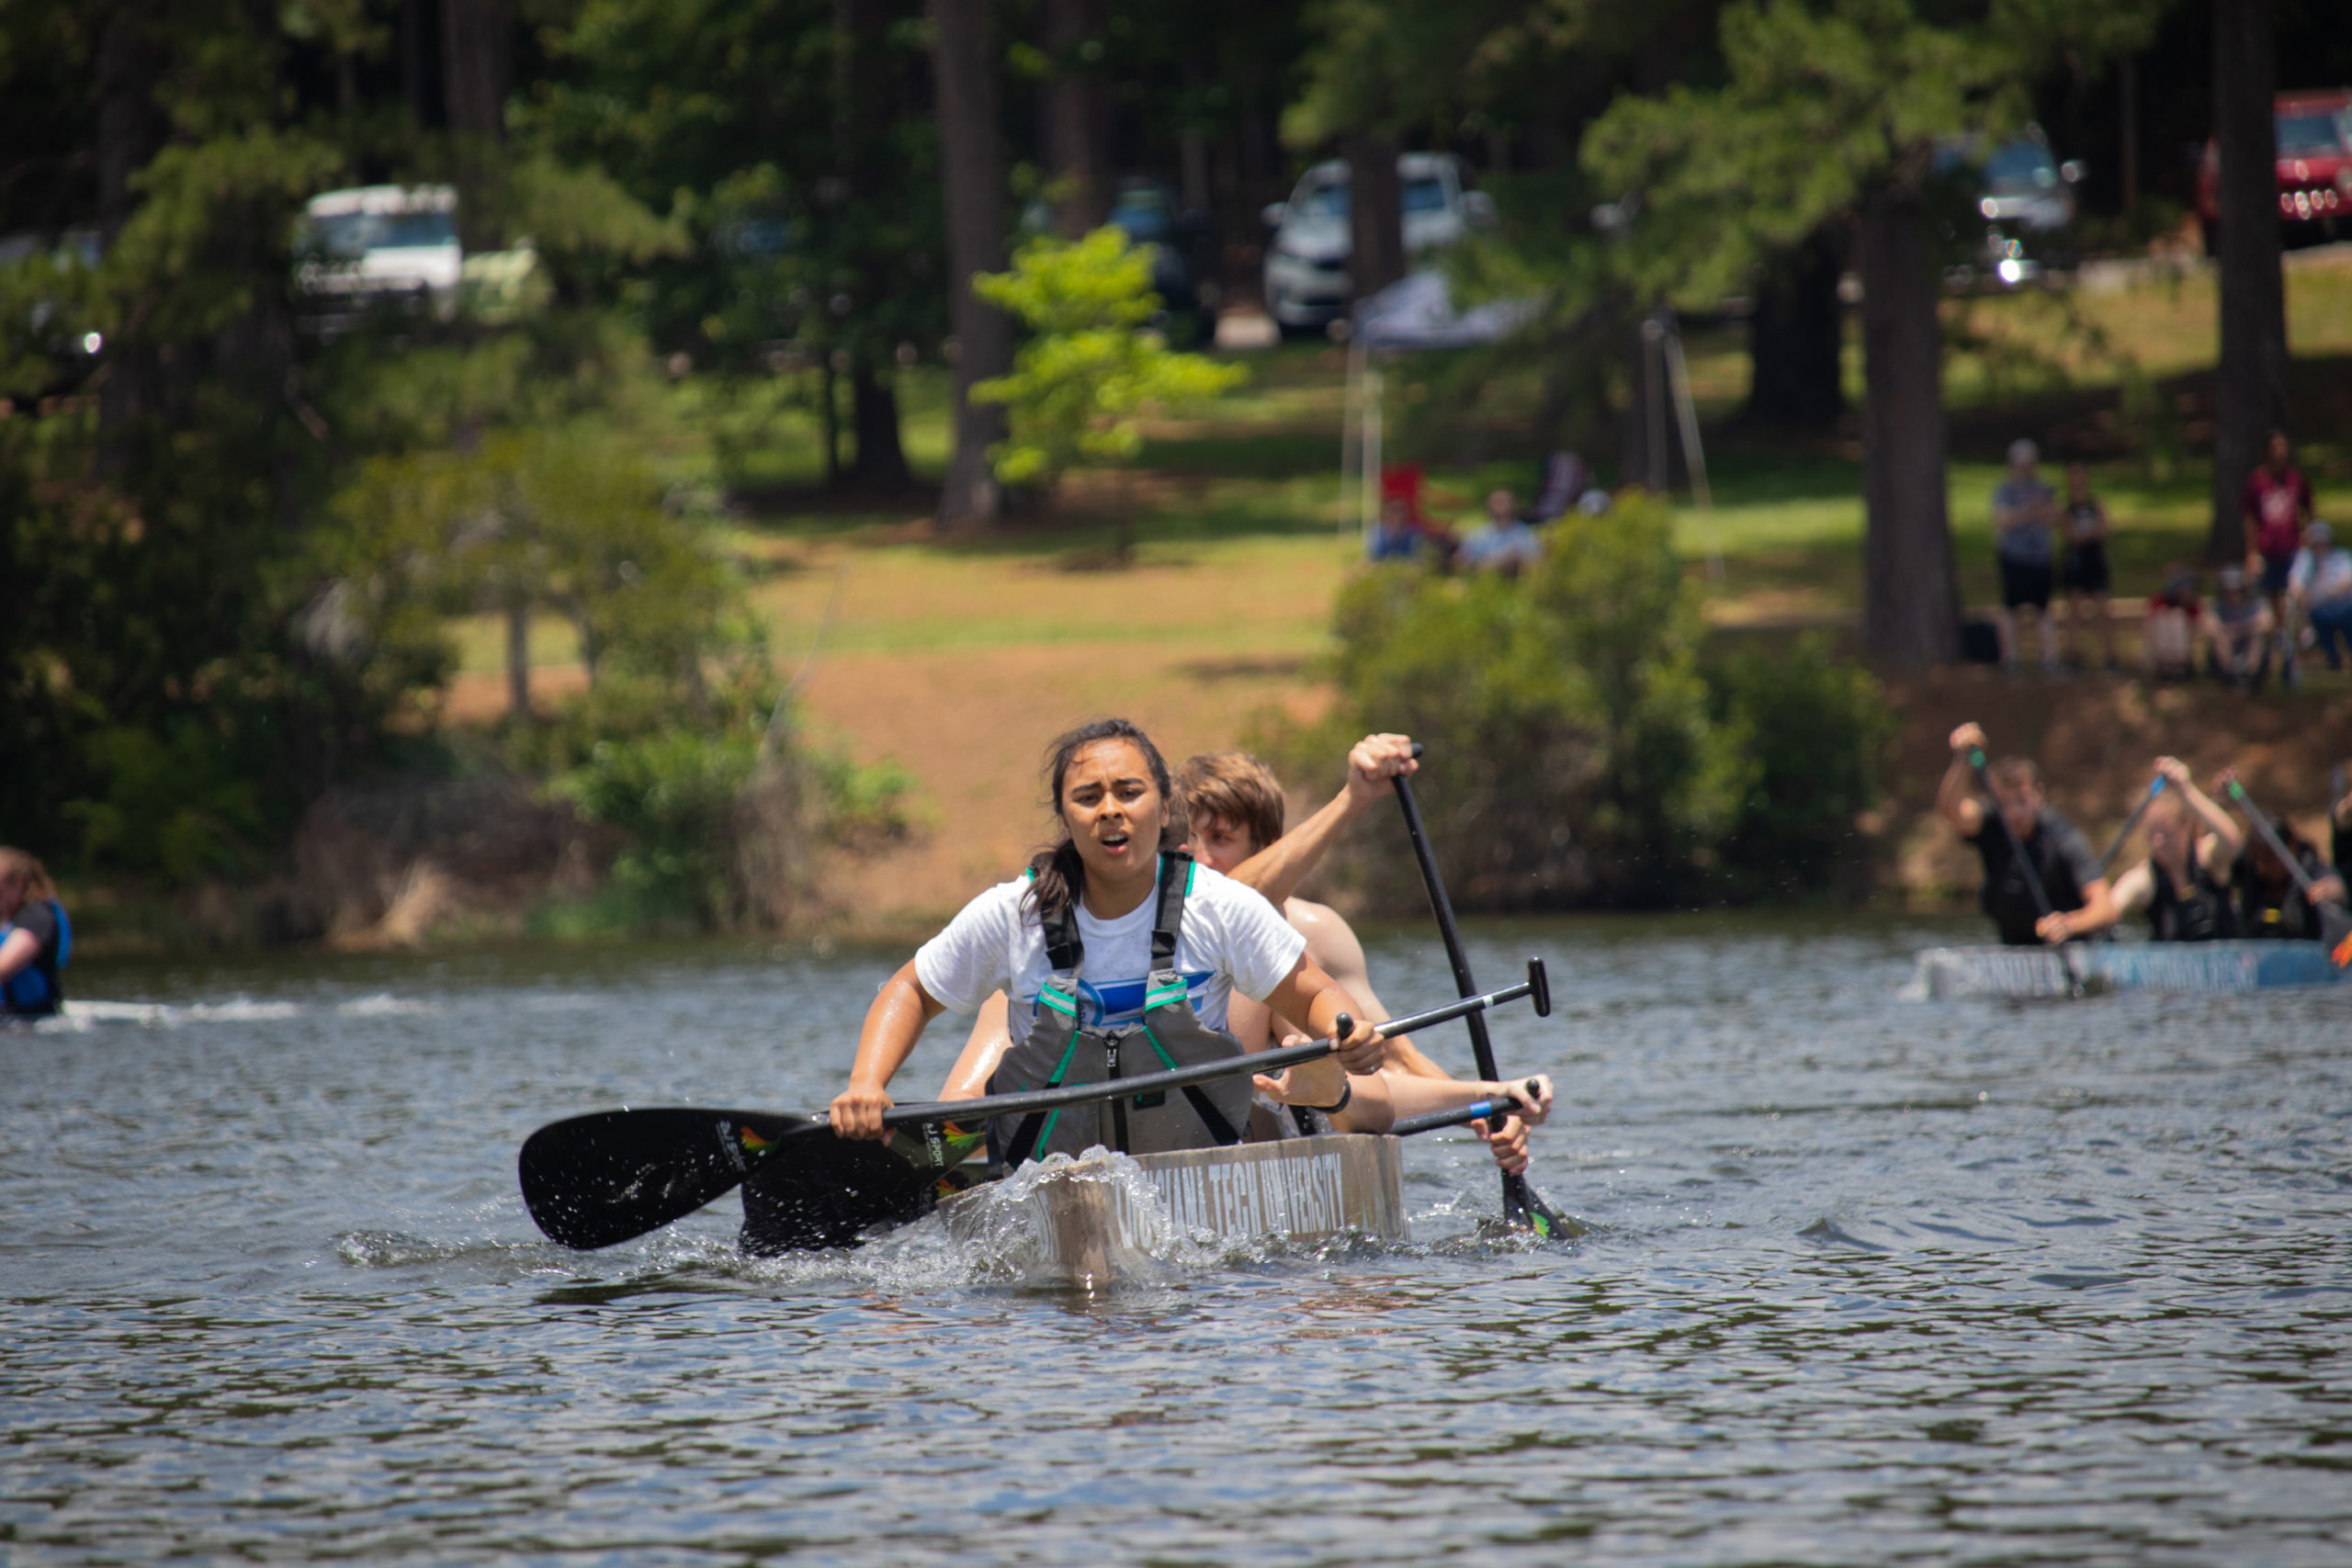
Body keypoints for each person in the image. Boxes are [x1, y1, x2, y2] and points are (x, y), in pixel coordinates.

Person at [829, 719, 1385, 1168]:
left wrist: (1348, 1031)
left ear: (1165, 809)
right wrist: (866, 1085)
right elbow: (910, 990)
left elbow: (1314, 993)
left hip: (1194, 1174)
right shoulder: (1014, 912)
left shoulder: (1220, 905)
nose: (1110, 811)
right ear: (1065, 818)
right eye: (1088, 797)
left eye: (1129, 792)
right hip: (1050, 1182)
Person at [1173, 743, 1555, 1173]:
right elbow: (1237, 898)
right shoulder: (1150, 924)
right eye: (1190, 841)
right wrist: (1353, 799)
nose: (1200, 858)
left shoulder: (1314, 932)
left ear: (1271, 845)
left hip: (1262, 1150)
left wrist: (1489, 1104)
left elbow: (1390, 1060)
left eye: (1220, 839)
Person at [1937, 723, 2119, 946]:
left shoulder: (2065, 839)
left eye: (2021, 801)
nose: (2014, 812)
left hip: (2071, 949)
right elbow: (1951, 809)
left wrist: (2069, 924)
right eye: (2004, 803)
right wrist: (1963, 759)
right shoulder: (1993, 824)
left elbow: (2106, 909)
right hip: (2016, 951)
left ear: (2038, 794)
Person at [2108, 760, 2244, 942]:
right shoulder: (2146, 878)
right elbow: (2110, 907)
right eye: (2151, 834)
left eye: (2166, 833)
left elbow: (2231, 840)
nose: (2158, 842)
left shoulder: (2209, 858)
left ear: (2187, 827)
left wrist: (2186, 790)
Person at [2242, 430, 2312, 679]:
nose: (2281, 454)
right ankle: (2283, 647)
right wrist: (2251, 552)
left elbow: (2308, 509)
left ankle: (2298, 643)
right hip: (2268, 550)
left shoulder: (2295, 479)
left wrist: (2307, 537)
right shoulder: (2257, 482)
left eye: (2284, 448)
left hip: (2293, 549)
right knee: (2273, 601)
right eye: (2276, 448)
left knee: (2295, 597)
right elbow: (2249, 518)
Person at [1992, 439, 2061, 673]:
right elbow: (2002, 519)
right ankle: (2011, 658)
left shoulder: (2045, 488)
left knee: (2043, 609)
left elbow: (2055, 515)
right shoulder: (2005, 490)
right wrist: (2029, 512)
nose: (2026, 468)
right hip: (2014, 556)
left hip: (2040, 557)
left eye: (2030, 463)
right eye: (2022, 463)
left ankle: (2050, 659)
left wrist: (2036, 513)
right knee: (2010, 608)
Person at [0, 848, 71, 1019]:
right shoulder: (10, 919)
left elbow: (3, 967)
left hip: (31, 1021)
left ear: (18, 883)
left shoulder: (37, 916)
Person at [2058, 461, 2116, 670]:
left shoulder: (2095, 503)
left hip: (2095, 559)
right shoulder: (2065, 506)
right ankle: (2073, 655)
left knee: (2103, 607)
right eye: (2073, 476)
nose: (2078, 480)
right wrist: (2090, 532)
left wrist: (2087, 533)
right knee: (2074, 610)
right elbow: (2070, 534)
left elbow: (2106, 528)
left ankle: (2110, 655)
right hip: (2075, 561)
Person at [2288, 521, 2352, 672]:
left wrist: (2334, 591)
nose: (2320, 545)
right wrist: (2305, 596)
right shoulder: (2305, 560)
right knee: (2319, 616)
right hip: (2316, 605)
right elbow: (2295, 584)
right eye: (2316, 541)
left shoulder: (2341, 556)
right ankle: (2332, 656)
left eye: (2323, 541)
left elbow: (2348, 579)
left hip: (2342, 602)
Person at [2202, 565, 2273, 689]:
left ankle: (2249, 675)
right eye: (2228, 591)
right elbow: (2208, 624)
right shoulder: (2219, 605)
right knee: (2220, 637)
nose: (2232, 594)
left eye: (2236, 590)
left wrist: (2242, 629)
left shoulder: (2256, 602)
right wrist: (2225, 630)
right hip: (2227, 646)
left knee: (2256, 636)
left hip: (2249, 645)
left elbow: (2267, 623)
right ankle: (2231, 675)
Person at [1457, 489, 1543, 577]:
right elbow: (1462, 563)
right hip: (1487, 579)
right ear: (1489, 508)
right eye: (1498, 503)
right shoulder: (1478, 535)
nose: (1503, 508)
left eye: (1507, 503)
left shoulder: (1525, 533)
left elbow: (1536, 560)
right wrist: (1499, 561)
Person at [2141, 565, 2200, 680]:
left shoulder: (2191, 606)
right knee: (2167, 616)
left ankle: (2176, 667)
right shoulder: (2160, 601)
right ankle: (2166, 667)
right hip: (2159, 646)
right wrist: (2160, 650)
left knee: (2178, 616)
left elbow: (2196, 627)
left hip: (2180, 651)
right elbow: (2149, 626)